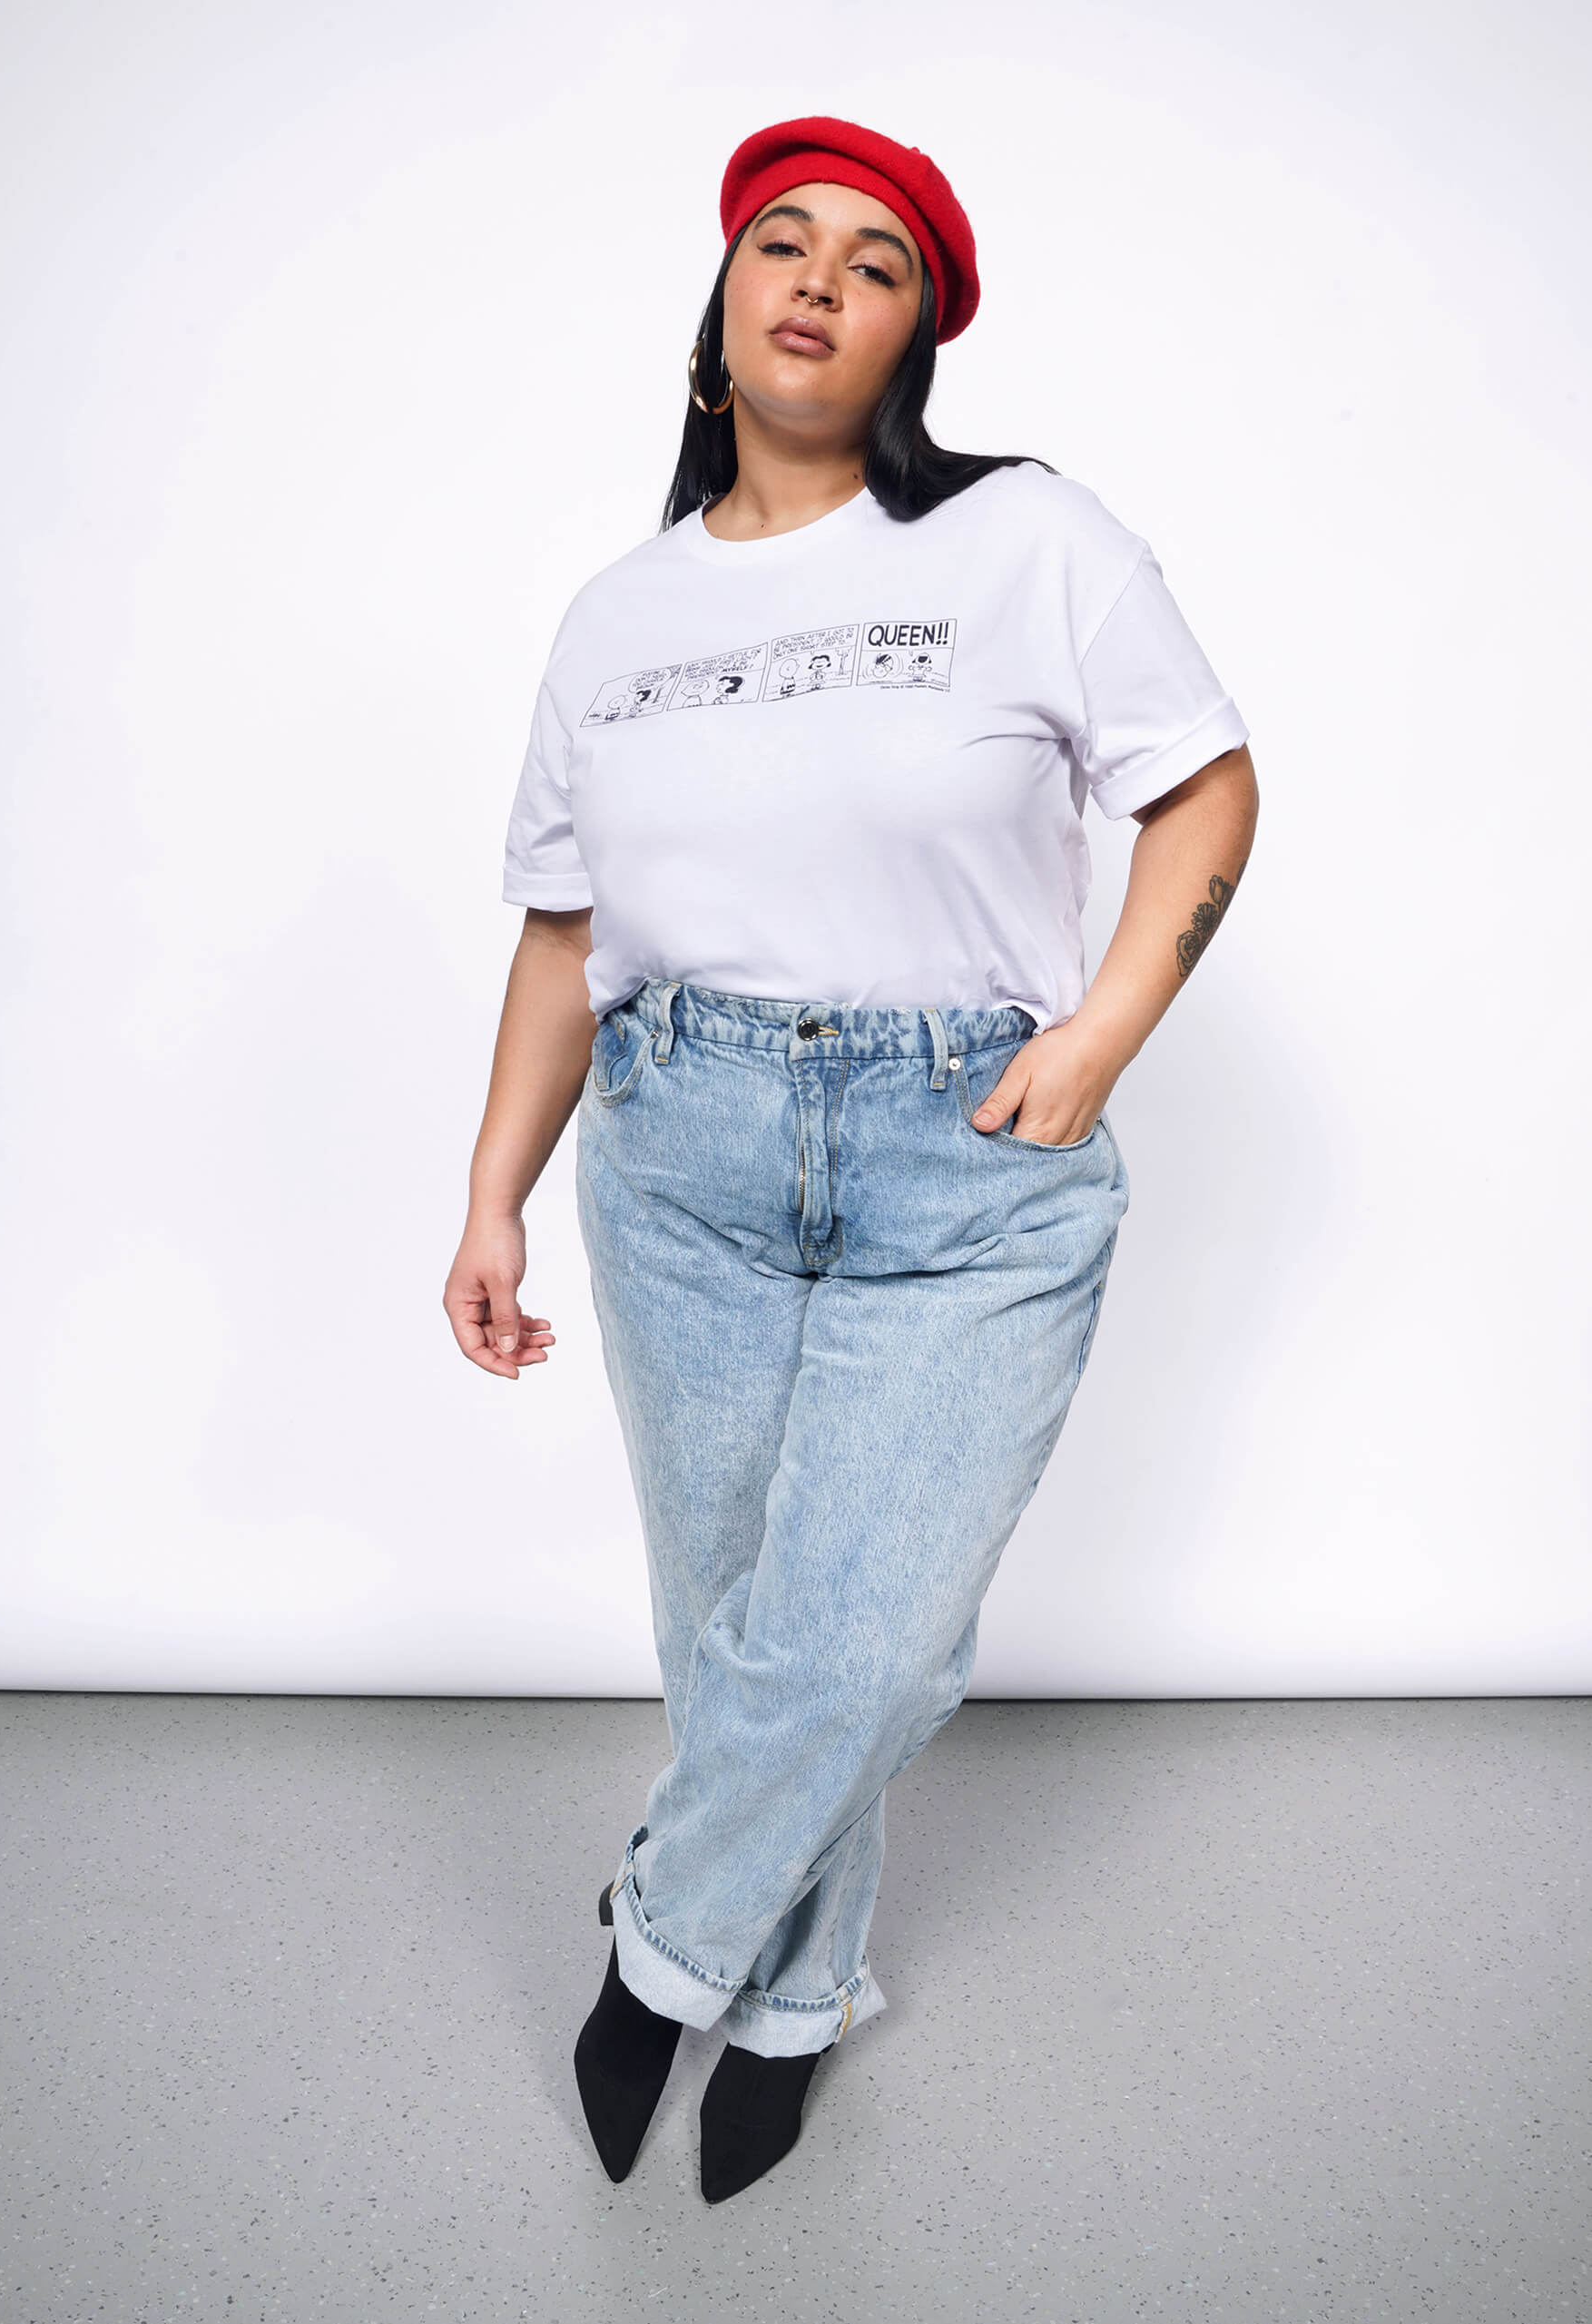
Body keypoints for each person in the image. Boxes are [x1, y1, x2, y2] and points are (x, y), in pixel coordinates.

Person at [443, 113, 1260, 2204]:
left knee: (867, 1639)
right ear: (720, 309)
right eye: (781, 243)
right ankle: (792, 2011)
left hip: (966, 1156)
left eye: (873, 263)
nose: (817, 277)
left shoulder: (1026, 540)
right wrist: (491, 1199)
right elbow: (560, 937)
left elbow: (1206, 792)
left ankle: (658, 1955)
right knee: (741, 1627)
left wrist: (1098, 1036)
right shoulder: (616, 616)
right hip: (680, 1148)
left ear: (914, 337)